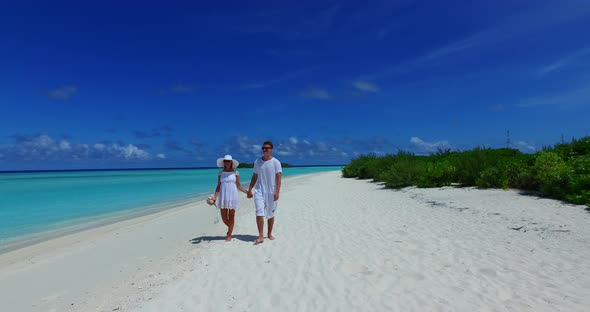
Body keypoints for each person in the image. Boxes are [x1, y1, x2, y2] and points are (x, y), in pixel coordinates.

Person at [247, 141, 282, 244]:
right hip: (259, 191)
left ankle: (269, 233)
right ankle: (261, 235)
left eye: (267, 148)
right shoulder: (257, 162)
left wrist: (277, 192)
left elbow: (279, 178)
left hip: (271, 192)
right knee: (259, 213)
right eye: (263, 148)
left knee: (270, 214)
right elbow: (254, 176)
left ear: (271, 149)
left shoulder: (276, 162)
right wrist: (250, 189)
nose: (265, 150)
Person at [212, 155, 248, 242]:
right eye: (225, 161)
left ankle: (229, 234)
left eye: (228, 161)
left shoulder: (236, 173)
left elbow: (239, 185)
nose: (226, 162)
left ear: (231, 162)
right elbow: (218, 186)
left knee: (231, 216)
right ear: (223, 162)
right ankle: (231, 227)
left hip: (233, 195)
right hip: (223, 196)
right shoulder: (221, 173)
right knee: (224, 217)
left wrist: (247, 192)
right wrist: (215, 197)